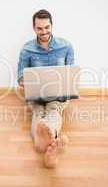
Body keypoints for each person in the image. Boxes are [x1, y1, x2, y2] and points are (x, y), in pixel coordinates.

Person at [17, 9, 75, 168]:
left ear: (52, 25)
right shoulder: (26, 49)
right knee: (38, 111)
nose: (44, 32)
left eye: (47, 27)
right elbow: (20, 77)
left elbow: (71, 73)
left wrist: (70, 83)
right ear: (34, 28)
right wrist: (25, 82)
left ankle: (41, 142)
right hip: (36, 95)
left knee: (54, 110)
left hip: (58, 95)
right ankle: (50, 141)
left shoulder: (66, 46)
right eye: (40, 28)